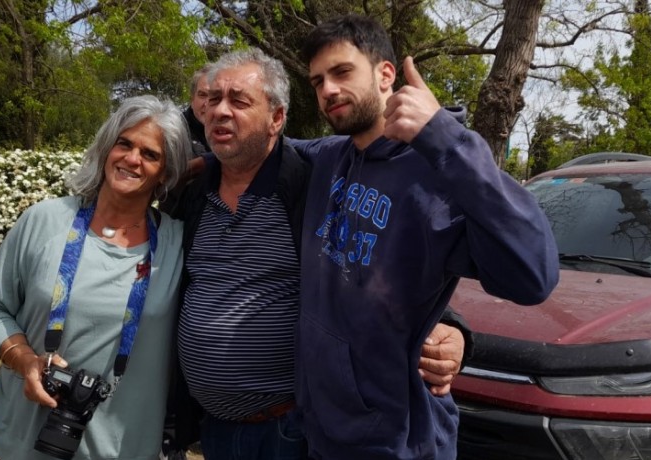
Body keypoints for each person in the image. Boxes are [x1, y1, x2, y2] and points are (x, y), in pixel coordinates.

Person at [162, 48, 469, 460]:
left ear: (276, 118)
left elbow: (384, 264)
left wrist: (453, 328)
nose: (219, 111)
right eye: (212, 99)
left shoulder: (314, 186)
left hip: (291, 431)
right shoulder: (191, 192)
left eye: (238, 100)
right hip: (211, 428)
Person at [291, 15, 560, 459]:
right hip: (323, 431)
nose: (327, 91)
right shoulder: (327, 157)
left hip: (398, 442)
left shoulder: (439, 174)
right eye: (318, 81)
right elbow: (257, 144)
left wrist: (445, 138)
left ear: (385, 74)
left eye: (341, 72)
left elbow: (534, 276)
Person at [0, 95, 191, 459]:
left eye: (150, 155)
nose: (132, 159)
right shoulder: (44, 220)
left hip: (123, 448)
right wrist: (25, 360)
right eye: (124, 143)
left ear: (166, 173)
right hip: (25, 440)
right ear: (107, 148)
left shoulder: (176, 243)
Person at [183, 65, 211, 154]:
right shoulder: (174, 133)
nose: (208, 104)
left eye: (215, 96)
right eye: (203, 95)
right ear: (192, 99)